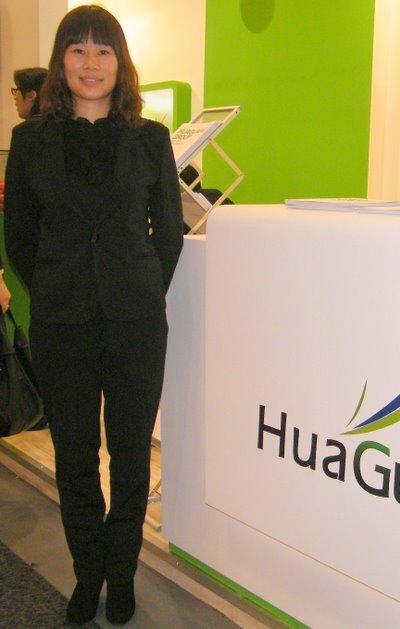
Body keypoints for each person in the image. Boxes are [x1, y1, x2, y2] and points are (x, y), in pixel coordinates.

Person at [3, 5, 183, 625]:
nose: (90, 63)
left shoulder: (150, 138)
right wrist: (59, 287)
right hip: (62, 323)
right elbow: (19, 236)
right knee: (75, 456)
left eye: (103, 50)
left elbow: (169, 234)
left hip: (136, 323)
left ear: (120, 62)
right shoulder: (31, 141)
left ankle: (122, 573)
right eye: (77, 49)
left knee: (130, 454)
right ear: (61, 62)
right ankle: (88, 573)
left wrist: (140, 287)